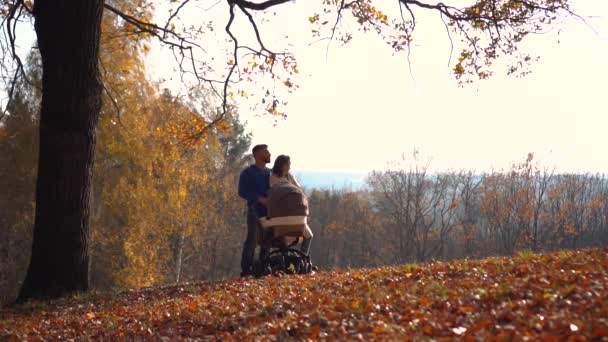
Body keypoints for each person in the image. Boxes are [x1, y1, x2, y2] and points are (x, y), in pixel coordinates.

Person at [238, 144, 271, 277]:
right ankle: (246, 271)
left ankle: (263, 268)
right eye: (266, 152)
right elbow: (242, 191)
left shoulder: (271, 173)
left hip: (270, 212)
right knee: (252, 239)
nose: (269, 154)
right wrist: (259, 199)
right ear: (258, 155)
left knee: (268, 239)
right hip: (254, 211)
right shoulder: (247, 173)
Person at [269, 155, 313, 256]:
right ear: (282, 165)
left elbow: (298, 189)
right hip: (280, 214)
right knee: (283, 240)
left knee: (309, 236)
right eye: (288, 164)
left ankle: (302, 257)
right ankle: (286, 262)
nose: (289, 167)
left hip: (295, 213)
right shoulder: (273, 178)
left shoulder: (289, 176)